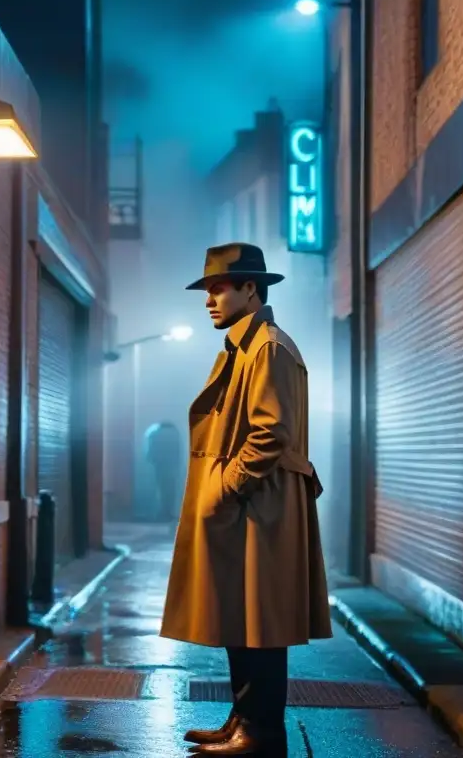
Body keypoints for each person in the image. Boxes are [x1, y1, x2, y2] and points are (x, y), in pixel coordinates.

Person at [160, 242, 332, 755]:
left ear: (250, 289)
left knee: (261, 620)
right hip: (253, 505)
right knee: (243, 615)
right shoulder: (246, 344)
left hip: (262, 505)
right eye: (208, 290)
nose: (209, 300)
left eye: (219, 288)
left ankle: (260, 732)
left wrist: (229, 485)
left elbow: (270, 431)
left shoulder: (268, 347)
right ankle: (243, 720)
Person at [145, 421, 183, 523]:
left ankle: (162, 513)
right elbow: (178, 452)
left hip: (160, 465)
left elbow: (150, 452)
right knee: (170, 490)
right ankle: (168, 512)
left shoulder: (155, 434)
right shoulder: (175, 435)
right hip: (171, 466)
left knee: (161, 489)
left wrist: (151, 460)